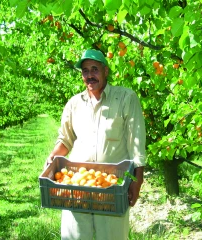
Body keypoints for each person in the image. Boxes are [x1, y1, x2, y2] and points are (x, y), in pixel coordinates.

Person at [44, 49, 146, 240]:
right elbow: (65, 140)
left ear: (105, 71)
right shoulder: (74, 104)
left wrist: (137, 179)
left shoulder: (125, 98)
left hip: (112, 187)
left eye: (94, 69)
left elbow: (136, 143)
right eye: (85, 71)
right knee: (75, 236)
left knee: (112, 236)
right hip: (77, 185)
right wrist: (52, 156)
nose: (90, 75)